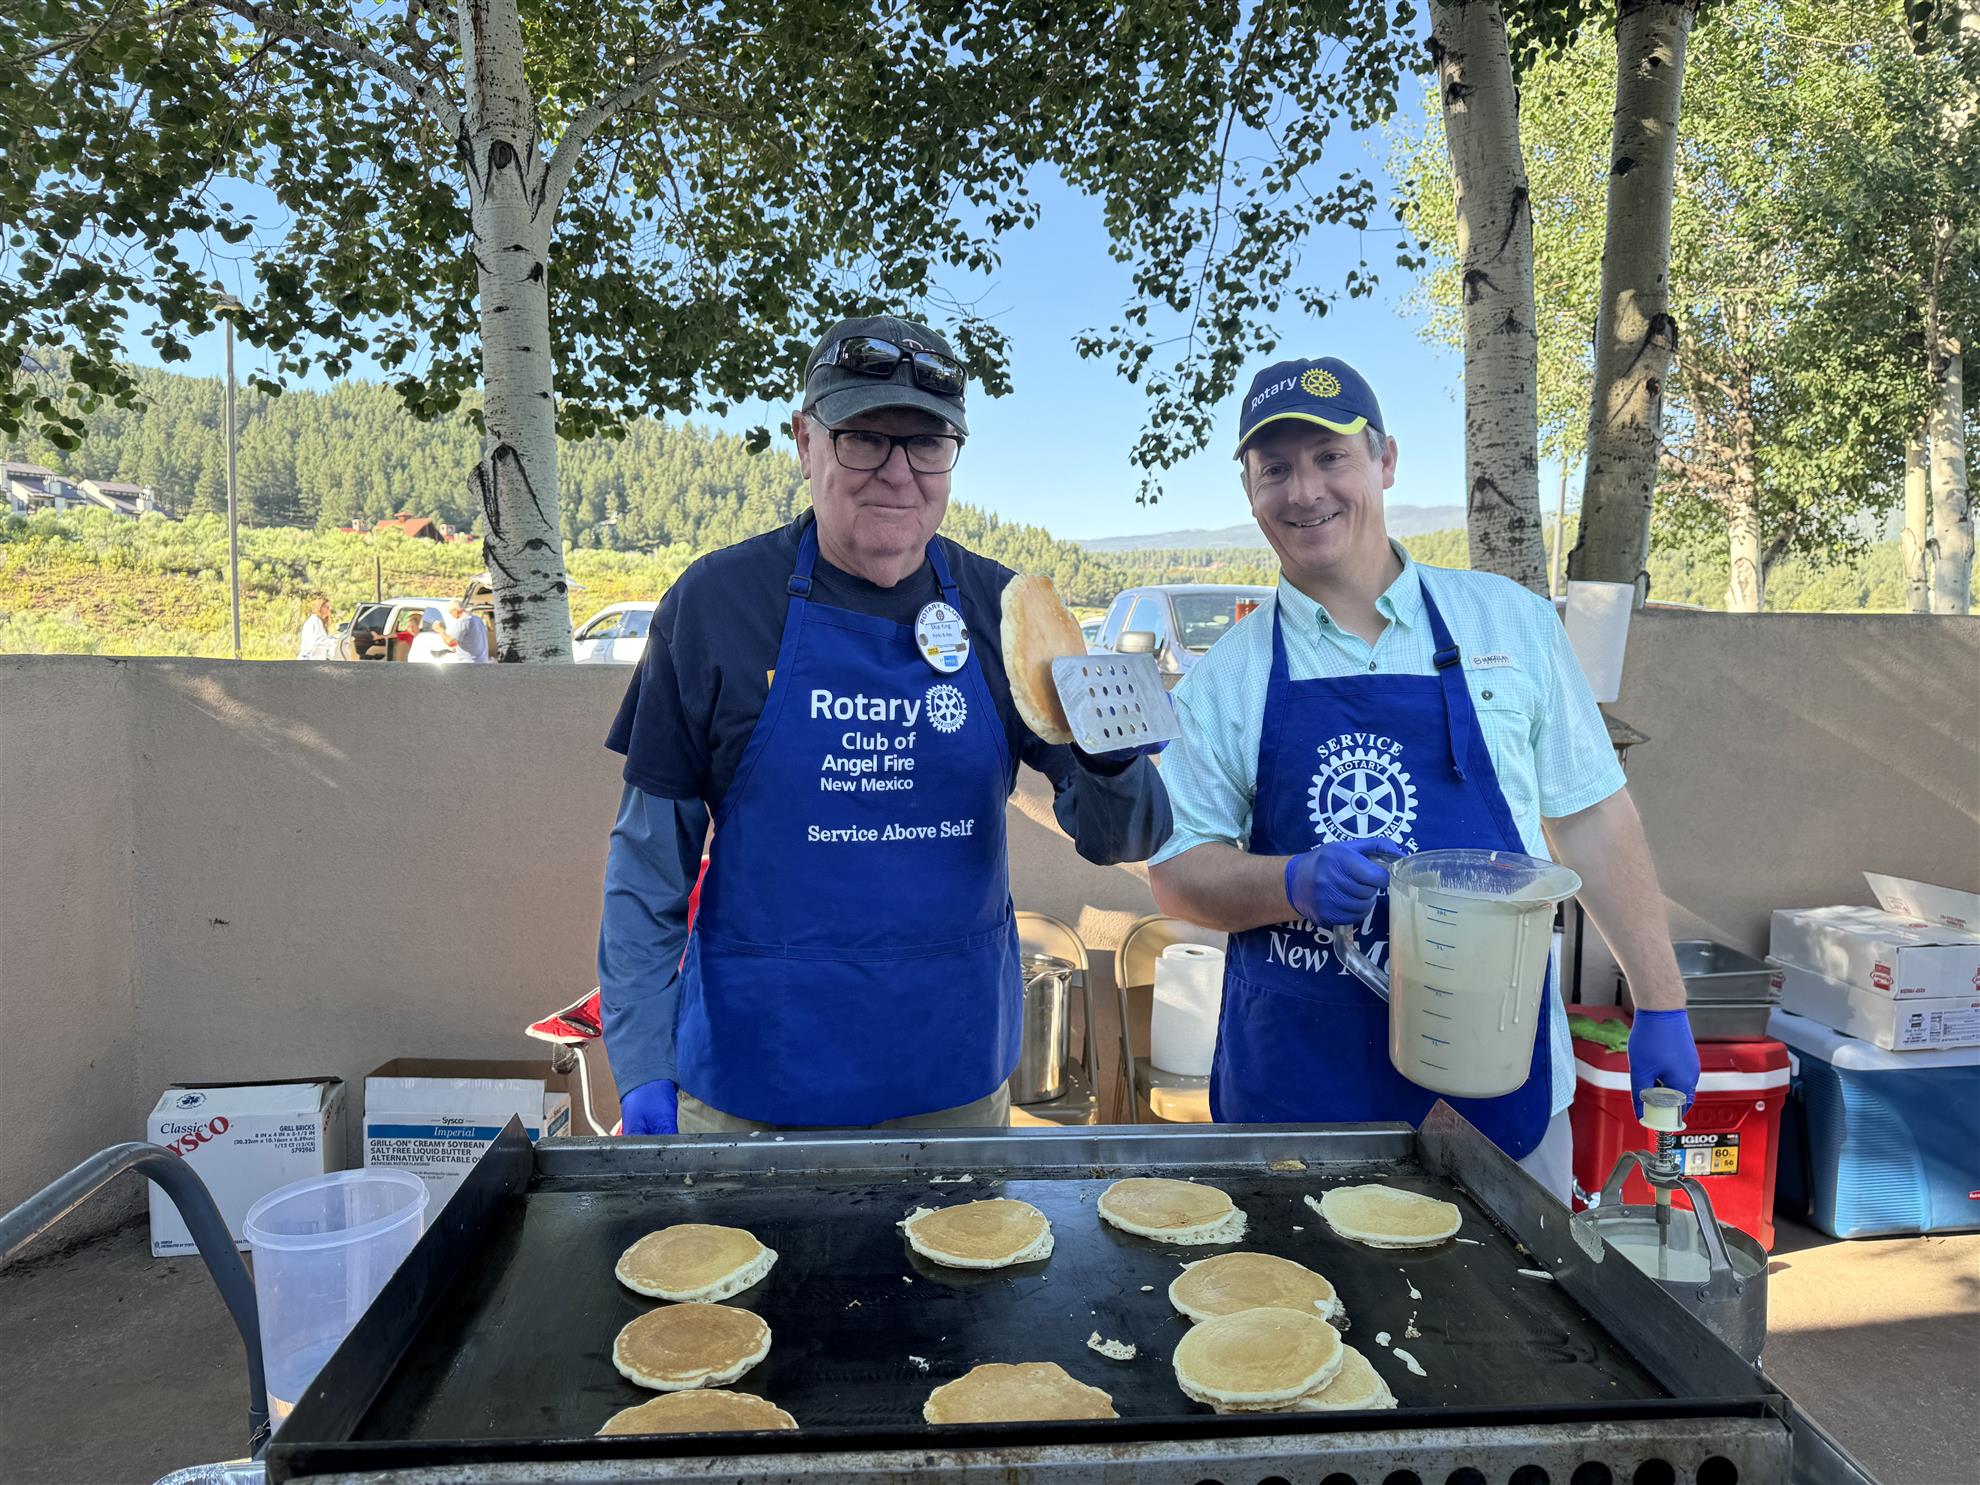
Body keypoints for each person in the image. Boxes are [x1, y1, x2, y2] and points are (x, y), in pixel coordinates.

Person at [599, 314, 1172, 1136]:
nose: (897, 473)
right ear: (805, 442)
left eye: (928, 441)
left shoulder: (1006, 610)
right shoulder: (715, 607)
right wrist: (644, 1061)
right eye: (864, 437)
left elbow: (1119, 836)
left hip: (955, 1087)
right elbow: (649, 867)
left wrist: (1118, 767)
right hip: (753, 1092)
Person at [1146, 356, 1698, 1198]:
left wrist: (1660, 999)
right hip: (1299, 1100)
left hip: (1497, 1091)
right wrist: (1291, 880)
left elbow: (1591, 817)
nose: (1305, 491)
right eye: (1275, 469)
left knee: (1510, 1328)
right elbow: (1178, 872)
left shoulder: (1506, 622)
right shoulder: (1227, 676)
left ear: (1385, 461)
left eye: (1331, 457)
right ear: (1250, 492)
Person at [443, 598, 491, 663]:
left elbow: (450, 641)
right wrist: (458, 648)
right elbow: (473, 640)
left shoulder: (464, 621)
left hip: (469, 663)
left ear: (456, 610)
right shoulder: (477, 619)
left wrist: (440, 630)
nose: (450, 614)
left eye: (450, 612)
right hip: (482, 661)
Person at [296, 596, 335, 660]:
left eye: (329, 607)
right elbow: (319, 640)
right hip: (309, 659)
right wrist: (334, 642)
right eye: (326, 607)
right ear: (320, 607)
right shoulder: (315, 620)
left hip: (314, 659)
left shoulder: (319, 621)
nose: (328, 609)